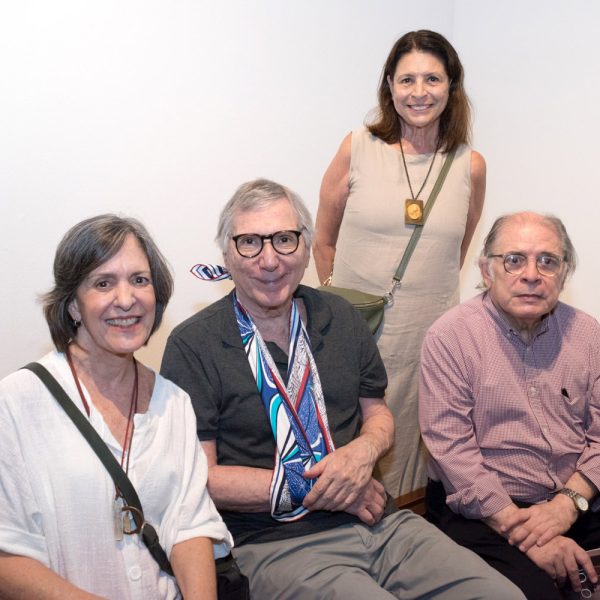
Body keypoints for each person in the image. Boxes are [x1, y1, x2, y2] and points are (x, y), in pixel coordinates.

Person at [161, 178, 524, 600]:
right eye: (249, 243)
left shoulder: (340, 315)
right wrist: (327, 489)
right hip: (276, 542)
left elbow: (379, 415)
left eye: (284, 239)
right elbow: (203, 479)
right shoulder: (194, 344)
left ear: (305, 247)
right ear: (227, 253)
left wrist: (364, 452)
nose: (269, 259)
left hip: (380, 521)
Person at [0, 215, 232, 599]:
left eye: (139, 280)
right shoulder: (17, 403)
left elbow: (189, 527)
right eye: (103, 283)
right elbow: (6, 557)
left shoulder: (174, 403)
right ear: (73, 305)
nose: (126, 299)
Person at [313, 30, 486, 497]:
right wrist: (341, 300)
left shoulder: (470, 165)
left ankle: (409, 531)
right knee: (349, 445)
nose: (419, 91)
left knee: (417, 448)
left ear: (452, 87)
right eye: (407, 79)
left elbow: (457, 251)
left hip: (428, 339)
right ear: (389, 86)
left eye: (432, 78)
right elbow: (322, 239)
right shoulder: (358, 147)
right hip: (354, 331)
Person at [419, 211, 600, 599]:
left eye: (547, 261)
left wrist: (566, 506)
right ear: (487, 271)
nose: (532, 274)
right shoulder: (449, 337)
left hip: (575, 496)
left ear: (564, 274)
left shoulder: (588, 334)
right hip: (484, 510)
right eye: (514, 259)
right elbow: (453, 453)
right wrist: (530, 535)